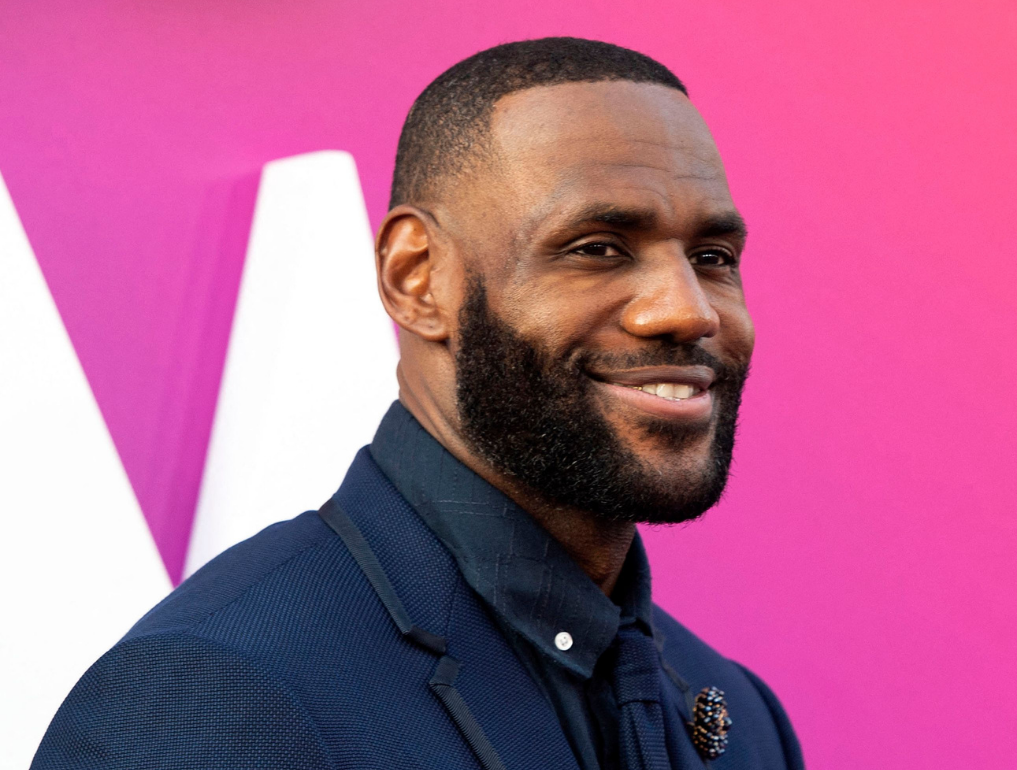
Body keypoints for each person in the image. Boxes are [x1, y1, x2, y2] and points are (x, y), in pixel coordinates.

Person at [33, 38, 803, 770]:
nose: (688, 310)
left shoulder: (740, 717)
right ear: (416, 279)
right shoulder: (215, 694)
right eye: (597, 248)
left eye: (712, 259)